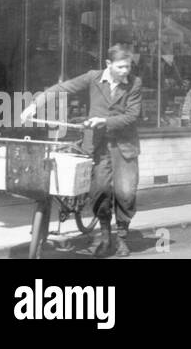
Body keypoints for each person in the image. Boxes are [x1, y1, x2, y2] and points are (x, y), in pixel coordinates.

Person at [20, 45, 141, 257]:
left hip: (124, 147)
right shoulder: (93, 77)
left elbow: (132, 116)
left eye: (128, 67)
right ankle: (105, 236)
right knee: (100, 190)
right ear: (108, 64)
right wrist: (33, 106)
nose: (125, 71)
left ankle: (122, 237)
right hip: (99, 146)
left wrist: (103, 120)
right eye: (121, 67)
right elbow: (62, 88)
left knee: (126, 192)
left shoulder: (134, 84)